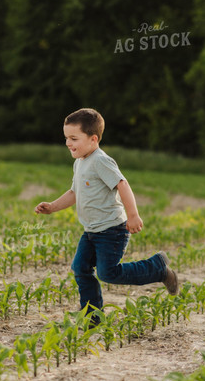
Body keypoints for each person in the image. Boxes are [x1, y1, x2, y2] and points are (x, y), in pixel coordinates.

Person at [34, 107, 179, 322]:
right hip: (91, 230)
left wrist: (133, 215)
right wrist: (53, 207)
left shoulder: (101, 161)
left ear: (93, 139)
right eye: (66, 138)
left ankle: (158, 268)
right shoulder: (80, 162)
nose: (67, 143)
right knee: (81, 269)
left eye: (74, 138)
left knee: (108, 273)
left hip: (112, 230)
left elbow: (122, 184)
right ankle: (92, 318)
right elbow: (75, 192)